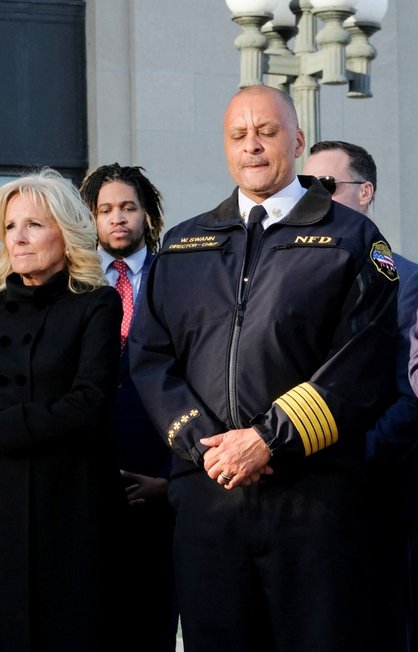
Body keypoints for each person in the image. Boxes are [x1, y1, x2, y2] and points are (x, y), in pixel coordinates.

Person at [130, 86, 398, 652]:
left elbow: (363, 362)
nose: (252, 146)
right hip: (208, 500)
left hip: (313, 503)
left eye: (267, 132)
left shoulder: (353, 239)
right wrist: (211, 447)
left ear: (297, 140)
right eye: (238, 135)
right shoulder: (183, 246)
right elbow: (151, 359)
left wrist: (266, 440)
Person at [0, 168, 127, 650]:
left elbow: (90, 401)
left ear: (66, 231)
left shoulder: (96, 304)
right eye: (11, 226)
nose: (20, 237)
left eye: (34, 224)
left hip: (71, 501)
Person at [303, 140, 418, 652]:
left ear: (364, 192)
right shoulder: (289, 276)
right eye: (304, 186)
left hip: (375, 498)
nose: (313, 196)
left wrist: (352, 462)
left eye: (326, 185)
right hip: (298, 497)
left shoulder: (406, 278)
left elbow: (410, 397)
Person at [79, 162, 177, 651]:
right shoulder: (74, 284)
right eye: (106, 209)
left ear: (148, 216)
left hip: (160, 471)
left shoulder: (176, 276)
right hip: (86, 476)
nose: (118, 219)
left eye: (128, 208)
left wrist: (170, 477)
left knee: (152, 619)